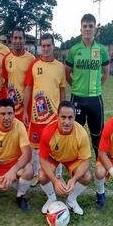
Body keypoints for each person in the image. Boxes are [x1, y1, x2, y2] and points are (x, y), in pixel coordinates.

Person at [23, 33, 66, 185]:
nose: (46, 48)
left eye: (49, 45)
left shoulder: (60, 67)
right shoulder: (34, 65)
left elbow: (62, 90)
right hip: (36, 116)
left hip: (54, 117)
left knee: (56, 146)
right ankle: (35, 173)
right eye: (43, 45)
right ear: (40, 47)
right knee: (35, 147)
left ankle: (59, 174)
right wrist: (24, 111)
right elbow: (28, 88)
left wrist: (62, 112)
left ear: (53, 46)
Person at [65, 13, 109, 159]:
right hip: (77, 98)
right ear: (80, 29)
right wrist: (76, 87)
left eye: (91, 26)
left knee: (97, 135)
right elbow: (67, 74)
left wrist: (97, 88)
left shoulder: (102, 50)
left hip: (95, 99)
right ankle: (74, 164)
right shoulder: (73, 50)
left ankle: (100, 166)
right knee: (74, 134)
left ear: (95, 29)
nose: (88, 29)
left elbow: (106, 73)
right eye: (85, 26)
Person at [0, 99, 33, 212]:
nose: (6, 117)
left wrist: (13, 171)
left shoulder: (20, 126)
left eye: (10, 113)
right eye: (3, 114)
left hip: (14, 164)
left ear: (14, 114)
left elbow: (27, 154)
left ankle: (20, 196)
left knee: (29, 169)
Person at [39, 101, 91, 215]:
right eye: (63, 117)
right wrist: (55, 180)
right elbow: (42, 159)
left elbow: (86, 161)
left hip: (72, 159)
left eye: (70, 117)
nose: (66, 122)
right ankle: (52, 199)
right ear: (57, 117)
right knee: (42, 176)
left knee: (86, 177)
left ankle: (71, 200)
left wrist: (74, 179)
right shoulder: (48, 131)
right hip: (54, 157)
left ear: (74, 117)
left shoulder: (81, 134)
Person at [2, 27, 35, 121]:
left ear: (24, 40)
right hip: (12, 104)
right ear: (11, 39)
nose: (17, 41)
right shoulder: (6, 59)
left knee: (25, 132)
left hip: (26, 104)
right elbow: (6, 81)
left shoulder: (31, 59)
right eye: (15, 38)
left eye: (20, 38)